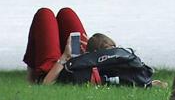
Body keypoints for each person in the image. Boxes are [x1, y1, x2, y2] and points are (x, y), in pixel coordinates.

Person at [23, 7, 165, 87]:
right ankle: (91, 52)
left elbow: (47, 84)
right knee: (66, 13)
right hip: (85, 59)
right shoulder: (128, 65)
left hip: (57, 70)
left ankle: (31, 77)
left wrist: (65, 57)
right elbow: (149, 81)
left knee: (45, 14)